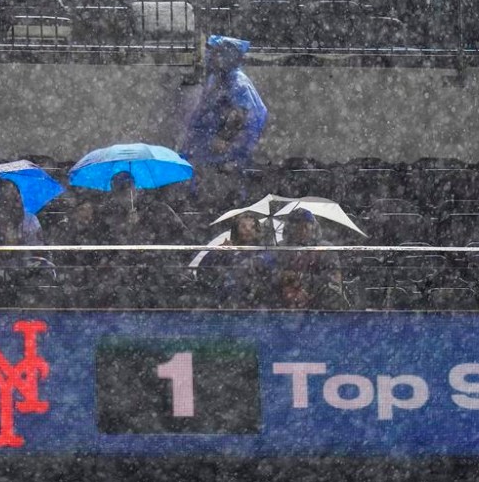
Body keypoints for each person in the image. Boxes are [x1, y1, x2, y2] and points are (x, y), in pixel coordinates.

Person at [182, 35, 267, 208]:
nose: (209, 56)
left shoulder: (238, 83)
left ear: (227, 56)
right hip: (205, 147)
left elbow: (242, 115)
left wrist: (225, 140)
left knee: (223, 196)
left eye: (214, 53)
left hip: (222, 154)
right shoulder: (217, 78)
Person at [275, 208, 356, 309]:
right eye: (297, 227)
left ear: (313, 227)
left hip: (319, 304)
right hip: (286, 303)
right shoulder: (281, 249)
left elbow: (333, 280)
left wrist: (303, 280)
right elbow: (274, 275)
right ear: (290, 228)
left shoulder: (324, 249)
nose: (302, 231)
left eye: (306, 227)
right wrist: (284, 279)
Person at [94, 172, 191, 247]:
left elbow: (184, 237)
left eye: (130, 186)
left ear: (136, 187)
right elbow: (112, 248)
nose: (128, 193)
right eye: (122, 190)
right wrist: (128, 228)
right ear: (115, 195)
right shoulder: (111, 216)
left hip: (162, 265)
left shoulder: (159, 209)